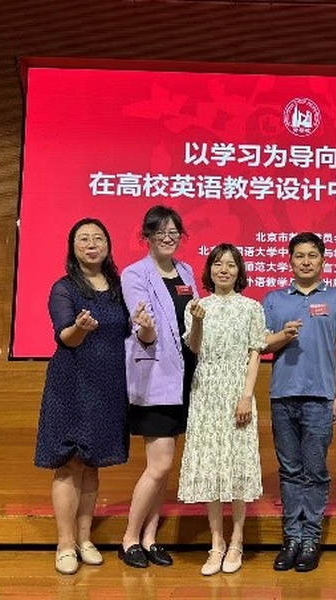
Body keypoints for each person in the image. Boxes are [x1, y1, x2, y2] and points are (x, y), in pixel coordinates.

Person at [34, 218, 129, 575]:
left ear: (108, 245)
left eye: (98, 238)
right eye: (84, 239)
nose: (92, 245)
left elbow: (132, 332)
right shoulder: (64, 288)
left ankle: (85, 539)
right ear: (73, 248)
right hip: (72, 385)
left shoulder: (119, 287)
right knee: (69, 462)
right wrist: (79, 328)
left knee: (91, 463)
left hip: (108, 386)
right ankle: (64, 543)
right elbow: (66, 337)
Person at [262, 232, 336, 573]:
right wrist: (282, 336)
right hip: (282, 396)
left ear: (323, 260)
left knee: (314, 470)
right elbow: (262, 344)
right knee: (290, 471)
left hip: (320, 397)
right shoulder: (274, 300)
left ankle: (310, 540)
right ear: (290, 261)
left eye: (311, 255)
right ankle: (291, 539)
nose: (305, 261)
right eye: (299, 256)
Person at [177, 243, 266, 576]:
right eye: (218, 263)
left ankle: (237, 541)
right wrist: (198, 321)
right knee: (212, 468)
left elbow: (255, 353)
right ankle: (216, 543)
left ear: (239, 270)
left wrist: (246, 396)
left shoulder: (251, 308)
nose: (224, 269)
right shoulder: (197, 306)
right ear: (209, 270)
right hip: (206, 392)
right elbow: (194, 346)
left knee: (236, 465)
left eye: (230, 264)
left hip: (237, 390)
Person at [119, 205, 198, 569]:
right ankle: (129, 538)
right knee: (159, 464)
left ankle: (150, 537)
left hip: (186, 375)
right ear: (147, 237)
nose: (168, 237)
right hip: (156, 376)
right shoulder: (135, 274)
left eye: (173, 232)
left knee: (165, 467)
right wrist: (147, 328)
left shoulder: (187, 271)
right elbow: (143, 328)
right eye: (160, 232)